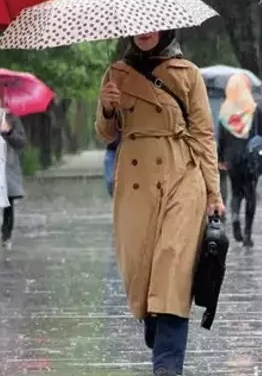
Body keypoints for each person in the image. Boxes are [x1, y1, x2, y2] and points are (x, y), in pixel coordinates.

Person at [95, 30, 224, 376]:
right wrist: (108, 107)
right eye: (136, 28)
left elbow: (203, 134)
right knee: (143, 275)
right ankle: (157, 323)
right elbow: (106, 134)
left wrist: (214, 192)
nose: (144, 33)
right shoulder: (116, 73)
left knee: (173, 274)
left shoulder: (188, 73)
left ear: (166, 29)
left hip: (182, 176)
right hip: (136, 187)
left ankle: (167, 368)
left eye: (151, 27)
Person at [217, 73, 262, 247]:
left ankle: (235, 221)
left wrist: (220, 159)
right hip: (250, 158)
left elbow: (221, 138)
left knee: (236, 192)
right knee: (250, 194)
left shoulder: (225, 111)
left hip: (231, 159)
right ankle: (247, 234)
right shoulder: (254, 109)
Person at [0, 108, 26, 246]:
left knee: (9, 201)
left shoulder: (13, 119)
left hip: (8, 166)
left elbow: (22, 142)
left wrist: (9, 131)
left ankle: (7, 235)